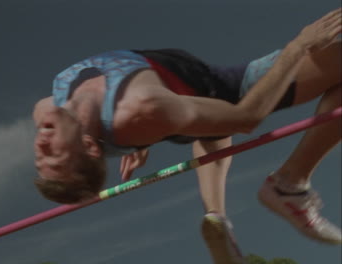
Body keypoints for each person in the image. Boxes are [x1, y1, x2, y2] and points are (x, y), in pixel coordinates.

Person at [32, 8, 342, 264]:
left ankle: (216, 215)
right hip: (228, 91)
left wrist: (137, 138)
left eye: (40, 157)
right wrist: (298, 46)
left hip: (171, 107)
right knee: (217, 124)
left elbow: (113, 132)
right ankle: (289, 185)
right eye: (55, 155)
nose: (41, 144)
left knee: (199, 129)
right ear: (87, 145)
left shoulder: (45, 109)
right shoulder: (141, 108)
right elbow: (246, 118)